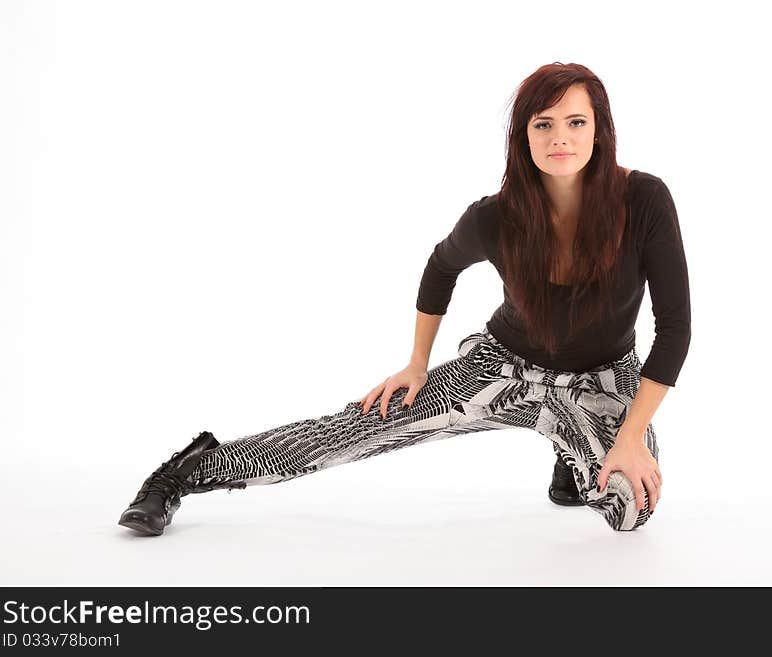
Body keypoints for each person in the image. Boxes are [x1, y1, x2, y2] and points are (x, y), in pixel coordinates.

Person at [117, 62, 691, 537]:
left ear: (599, 129)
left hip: (603, 378)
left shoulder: (643, 200)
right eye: (543, 124)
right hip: (505, 368)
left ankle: (572, 450)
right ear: (523, 136)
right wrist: (417, 364)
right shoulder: (494, 217)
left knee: (628, 509)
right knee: (350, 431)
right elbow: (440, 269)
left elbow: (675, 330)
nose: (560, 138)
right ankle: (188, 472)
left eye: (575, 122)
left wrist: (632, 435)